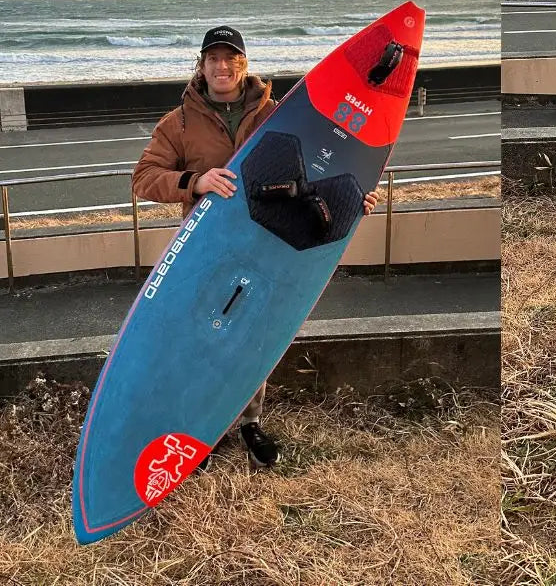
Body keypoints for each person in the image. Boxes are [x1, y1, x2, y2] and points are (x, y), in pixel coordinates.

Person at [132, 25, 377, 469]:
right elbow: (144, 177)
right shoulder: (178, 123)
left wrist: (355, 197)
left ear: (244, 64)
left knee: (254, 337)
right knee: (203, 338)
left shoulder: (278, 114)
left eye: (232, 58)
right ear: (201, 65)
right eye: (214, 59)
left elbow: (318, 166)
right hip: (209, 246)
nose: (223, 67)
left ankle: (248, 423)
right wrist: (194, 181)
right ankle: (201, 430)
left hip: (270, 242)